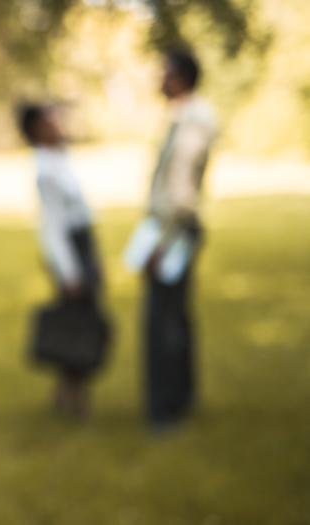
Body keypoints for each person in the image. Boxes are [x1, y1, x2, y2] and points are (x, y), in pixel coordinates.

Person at [140, 50, 218, 429]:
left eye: (165, 70)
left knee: (163, 320)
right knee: (177, 317)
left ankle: (165, 410)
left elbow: (182, 188)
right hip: (173, 228)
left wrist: (161, 243)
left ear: (182, 75)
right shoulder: (185, 115)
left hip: (175, 231)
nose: (159, 77)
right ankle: (182, 400)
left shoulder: (194, 119)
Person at [20, 104, 105, 417]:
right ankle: (72, 396)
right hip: (72, 249)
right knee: (77, 321)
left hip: (83, 243)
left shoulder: (60, 158)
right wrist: (70, 272)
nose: (57, 122)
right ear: (37, 129)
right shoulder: (46, 169)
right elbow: (53, 225)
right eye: (49, 118)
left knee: (84, 318)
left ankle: (68, 393)